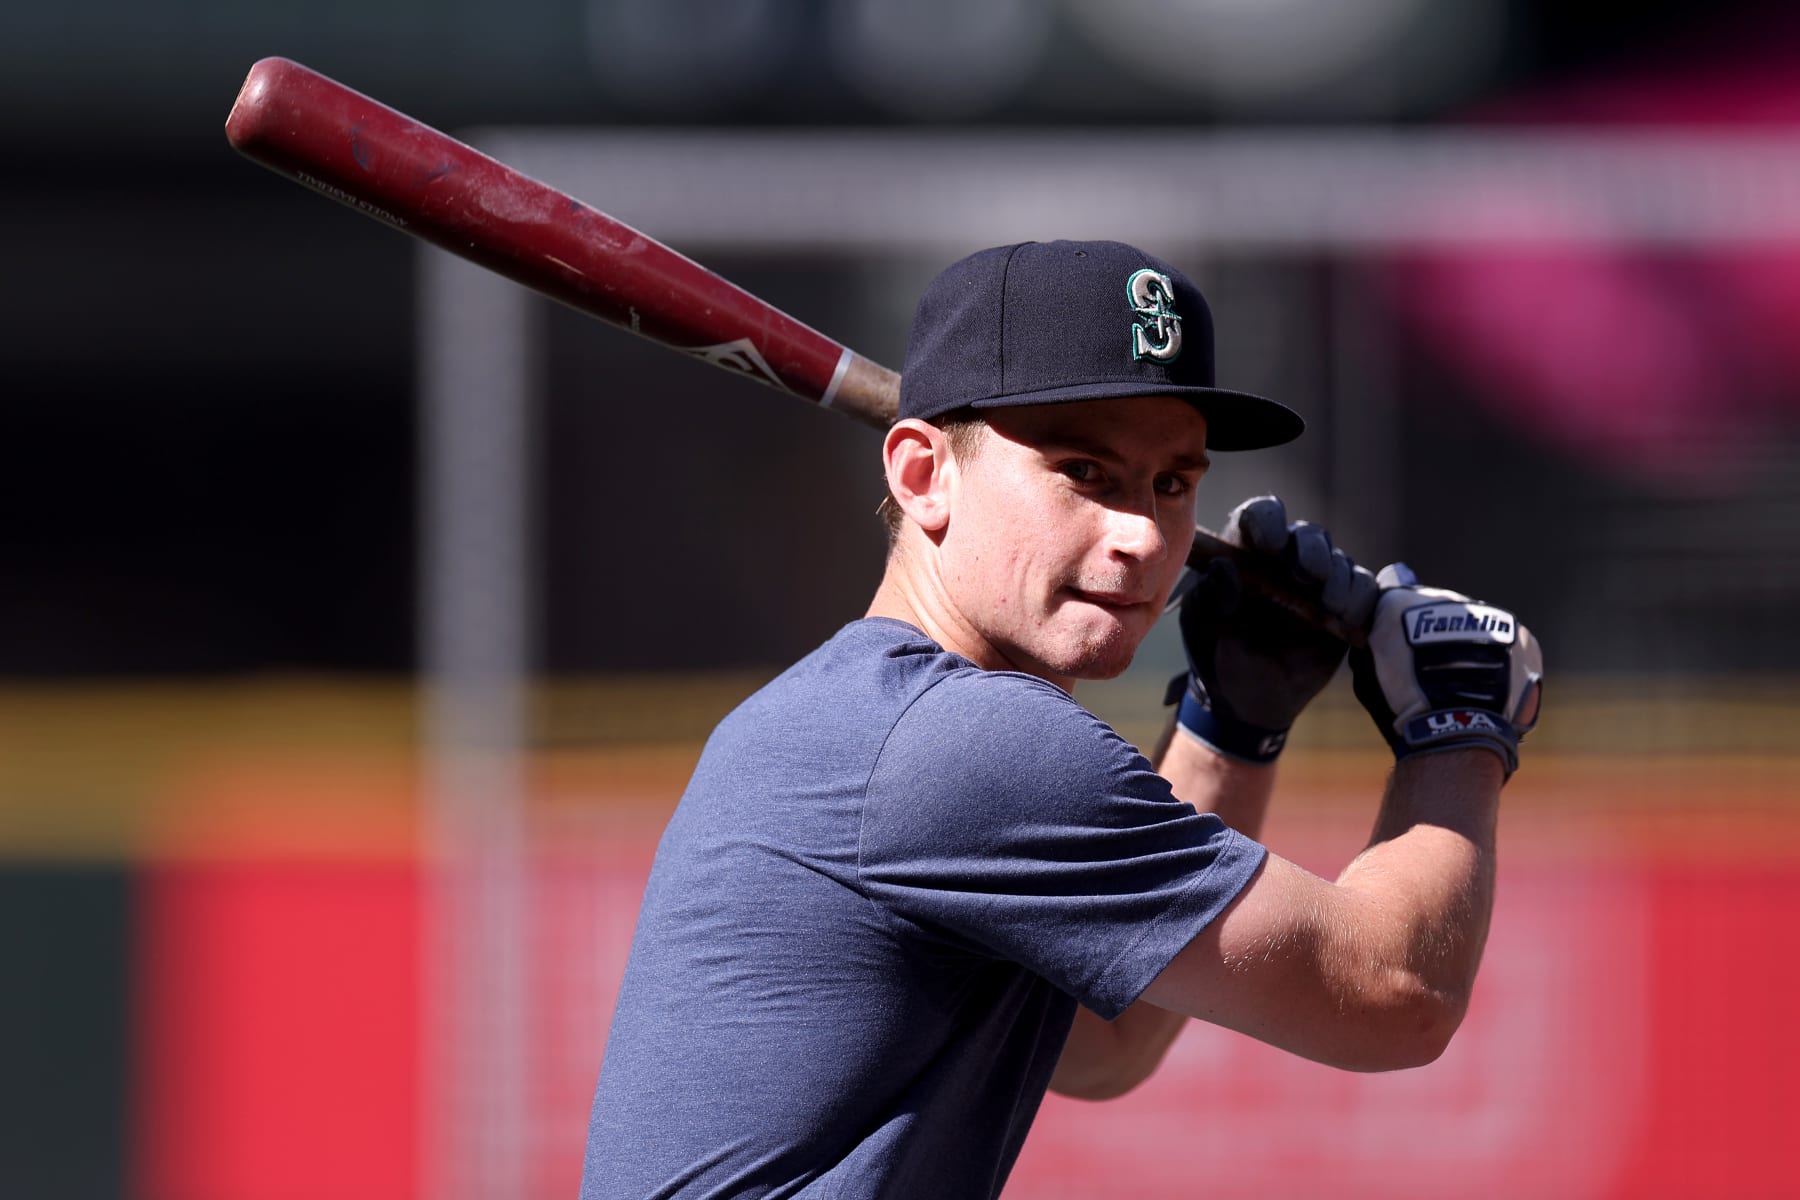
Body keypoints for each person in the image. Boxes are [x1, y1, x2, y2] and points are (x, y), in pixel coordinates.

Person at [580, 240, 1543, 1199]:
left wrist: (1231, 729)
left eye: (1172, 482)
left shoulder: (861, 716)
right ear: (925, 477)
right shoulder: (961, 743)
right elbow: (1396, 997)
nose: (1142, 535)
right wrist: (1458, 724)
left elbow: (1101, 1049)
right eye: (1086, 471)